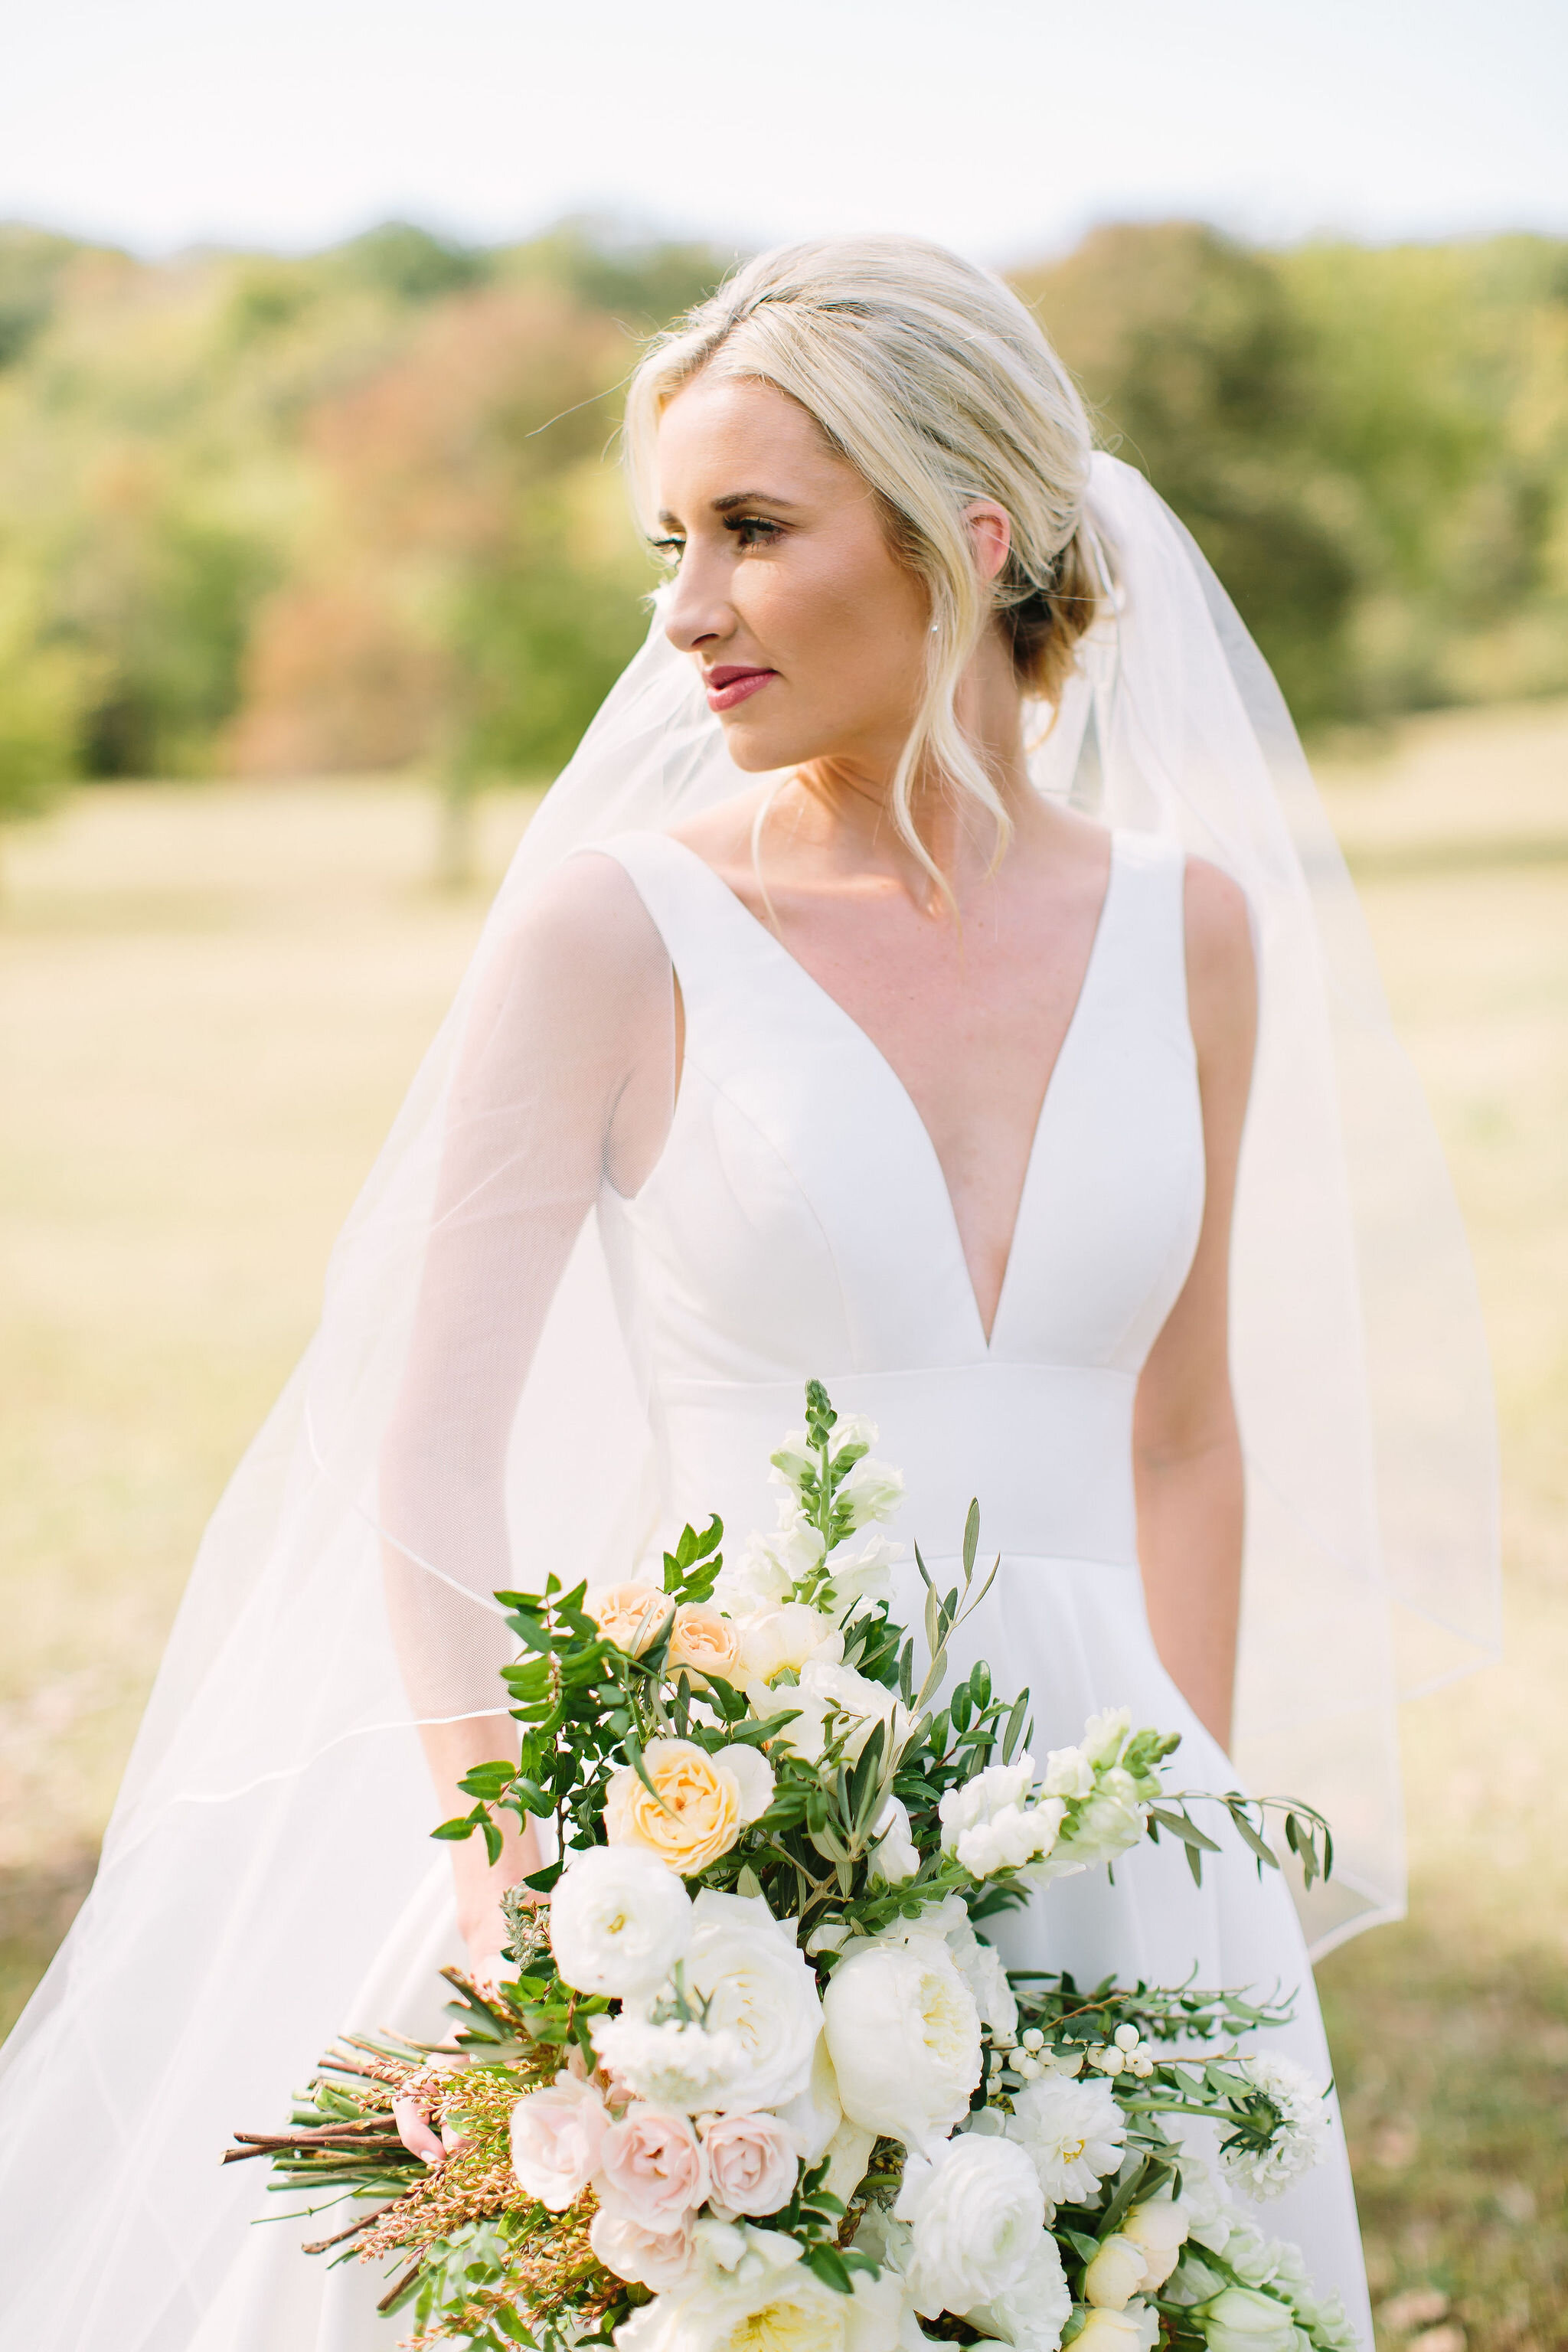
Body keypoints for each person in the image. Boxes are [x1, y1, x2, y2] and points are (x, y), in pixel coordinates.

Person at [0, 238, 1497, 2352]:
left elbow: (1182, 1434)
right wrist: (508, 1857)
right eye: (671, 545)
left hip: (1112, 1816)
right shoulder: (616, 933)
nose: (686, 610)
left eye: (753, 533)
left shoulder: (1199, 933)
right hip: (723, 1828)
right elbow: (422, 1434)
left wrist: (1195, 1860)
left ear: (969, 536)